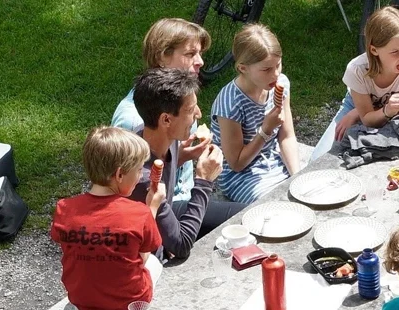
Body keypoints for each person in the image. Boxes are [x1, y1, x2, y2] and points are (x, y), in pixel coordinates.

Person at [50, 126, 166, 310]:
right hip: (128, 307)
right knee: (154, 263)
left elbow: (68, 246)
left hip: (83, 302)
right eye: (138, 170)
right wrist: (151, 208)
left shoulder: (65, 209)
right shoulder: (139, 213)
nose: (140, 177)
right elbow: (143, 257)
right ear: (120, 175)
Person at [129, 67, 239, 260]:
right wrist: (204, 181)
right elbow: (181, 245)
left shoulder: (157, 136)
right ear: (166, 119)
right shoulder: (144, 180)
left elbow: (161, 162)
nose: (198, 114)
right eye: (190, 110)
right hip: (150, 260)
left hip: (168, 211)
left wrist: (183, 155)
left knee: (243, 216)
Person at [309, 6, 399, 161]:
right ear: (374, 50)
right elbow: (368, 119)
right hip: (359, 104)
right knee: (319, 159)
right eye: (395, 52)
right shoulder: (357, 70)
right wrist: (359, 112)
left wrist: (386, 111)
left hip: (396, 111)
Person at [112, 18, 210, 202]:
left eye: (200, 53)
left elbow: (157, 164)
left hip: (182, 198)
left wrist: (181, 156)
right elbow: (127, 189)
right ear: (162, 57)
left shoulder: (181, 98)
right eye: (190, 54)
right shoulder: (134, 120)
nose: (200, 62)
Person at [209, 24, 302, 204]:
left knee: (310, 192)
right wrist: (265, 130)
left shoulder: (281, 84)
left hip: (275, 160)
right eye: (266, 69)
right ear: (243, 68)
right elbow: (236, 164)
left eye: (278, 65)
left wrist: (297, 176)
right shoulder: (230, 104)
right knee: (275, 208)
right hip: (241, 177)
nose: (275, 74)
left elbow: (287, 137)